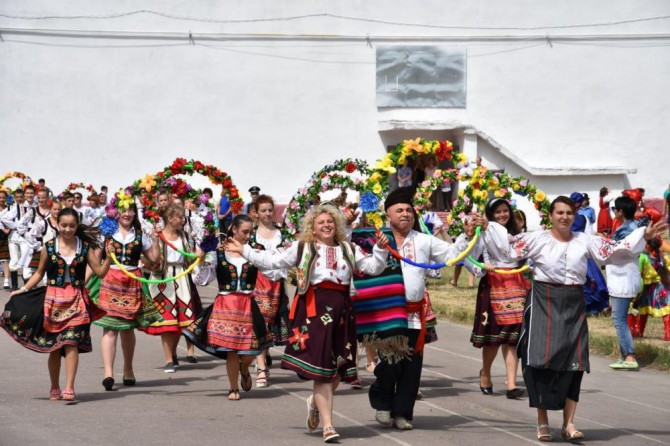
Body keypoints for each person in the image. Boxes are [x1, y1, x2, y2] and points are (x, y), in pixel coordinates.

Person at [490, 196, 666, 442]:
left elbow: (616, 250)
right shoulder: (537, 238)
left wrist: (642, 235)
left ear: (575, 216)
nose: (564, 217)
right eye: (559, 212)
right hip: (544, 301)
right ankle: (542, 424)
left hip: (573, 303)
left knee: (576, 363)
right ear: (550, 216)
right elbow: (507, 247)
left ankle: (569, 423)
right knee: (540, 362)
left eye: (569, 213)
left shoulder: (585, 240)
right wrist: (488, 226)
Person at [224, 203, 390, 443]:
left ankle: (315, 402)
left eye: (330, 221)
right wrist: (244, 250)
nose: (326, 225)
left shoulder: (348, 248)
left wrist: (381, 250)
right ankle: (328, 426)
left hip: (343, 312)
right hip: (315, 311)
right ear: (313, 226)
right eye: (321, 222)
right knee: (322, 371)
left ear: (337, 225)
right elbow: (271, 261)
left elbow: (374, 267)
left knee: (337, 372)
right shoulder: (303, 247)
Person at [362, 187, 480, 431]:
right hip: (387, 313)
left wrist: (466, 236)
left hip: (415, 314)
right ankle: (383, 402)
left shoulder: (424, 240)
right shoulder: (377, 238)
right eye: (399, 210)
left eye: (408, 210)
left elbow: (452, 255)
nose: (405, 214)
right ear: (388, 215)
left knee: (411, 367)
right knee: (389, 363)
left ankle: (402, 413)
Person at [1, 208, 112, 401]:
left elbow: (100, 273)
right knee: (55, 346)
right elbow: (38, 273)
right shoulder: (49, 247)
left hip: (77, 300)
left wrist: (109, 257)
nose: (68, 229)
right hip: (53, 301)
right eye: (64, 225)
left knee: (71, 342)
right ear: (57, 225)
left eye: (72, 225)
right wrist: (24, 289)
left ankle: (69, 387)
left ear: (77, 226)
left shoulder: (85, 247)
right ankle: (55, 386)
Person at [184, 214, 276, 400]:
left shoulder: (255, 250)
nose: (248, 235)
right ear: (233, 229)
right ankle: (233, 387)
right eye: (245, 231)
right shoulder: (219, 252)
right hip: (225, 305)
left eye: (251, 232)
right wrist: (201, 261)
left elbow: (272, 270)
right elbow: (202, 280)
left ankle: (244, 367)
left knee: (252, 349)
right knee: (231, 349)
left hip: (247, 304)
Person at [94, 201, 163, 390]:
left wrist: (156, 238)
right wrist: (84, 282)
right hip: (110, 280)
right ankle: (108, 373)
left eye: (130, 210)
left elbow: (155, 259)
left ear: (134, 212)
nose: (126, 214)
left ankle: (128, 369)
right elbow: (94, 259)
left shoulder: (140, 235)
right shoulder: (106, 232)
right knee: (109, 328)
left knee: (127, 329)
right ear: (116, 212)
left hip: (131, 281)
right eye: (123, 210)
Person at [467, 198, 529, 400]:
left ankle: (511, 383)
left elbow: (520, 252)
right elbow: (470, 256)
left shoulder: (515, 232)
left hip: (515, 282)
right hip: (493, 283)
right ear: (490, 215)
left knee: (512, 337)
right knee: (494, 337)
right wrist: (483, 267)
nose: (502, 215)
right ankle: (485, 372)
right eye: (497, 212)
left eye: (505, 211)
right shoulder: (485, 231)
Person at [140, 204, 203, 373]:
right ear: (170, 219)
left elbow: (190, 257)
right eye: (180, 217)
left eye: (183, 217)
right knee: (167, 320)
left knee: (180, 322)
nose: (183, 220)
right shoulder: (158, 237)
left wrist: (199, 257)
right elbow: (149, 259)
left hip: (181, 278)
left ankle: (173, 353)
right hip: (163, 279)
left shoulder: (184, 236)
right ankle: (168, 359)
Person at [247, 195, 288, 388]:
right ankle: (262, 367)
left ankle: (264, 357)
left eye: (270, 210)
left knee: (272, 324)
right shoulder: (252, 233)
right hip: (257, 282)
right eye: (263, 210)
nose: (267, 213)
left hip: (277, 283)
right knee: (259, 324)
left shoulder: (282, 233)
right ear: (256, 212)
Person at [605, 196, 642, 370]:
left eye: (614, 210)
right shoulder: (635, 226)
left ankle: (629, 356)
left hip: (622, 278)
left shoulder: (625, 230)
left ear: (620, 211)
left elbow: (615, 249)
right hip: (627, 276)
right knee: (620, 317)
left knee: (619, 319)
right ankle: (625, 355)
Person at [632, 238, 670, 340]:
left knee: (643, 310)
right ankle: (668, 334)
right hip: (663, 287)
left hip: (649, 287)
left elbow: (643, 273)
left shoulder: (645, 258)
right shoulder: (663, 257)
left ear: (648, 246)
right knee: (666, 310)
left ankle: (639, 331)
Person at [0, 190, 11, 289]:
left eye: (3, 197)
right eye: (0, 197)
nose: (2, 199)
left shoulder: (9, 209)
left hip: (5, 236)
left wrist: (8, 229)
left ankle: (7, 280)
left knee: (5, 258)